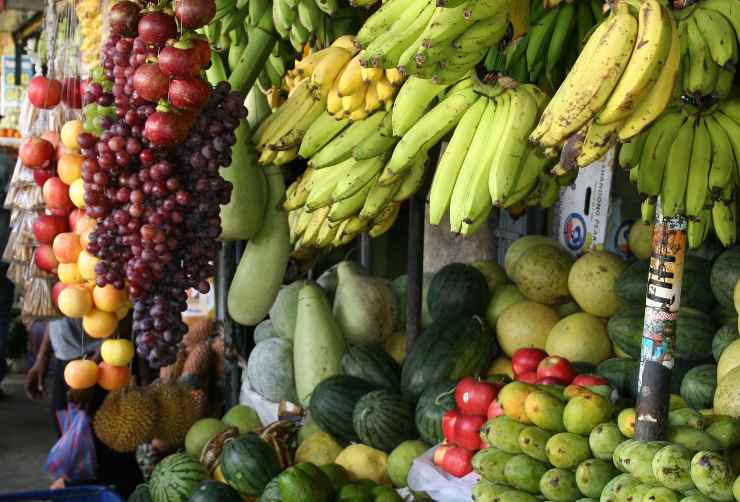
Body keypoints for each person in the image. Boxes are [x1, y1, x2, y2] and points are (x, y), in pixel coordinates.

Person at [25, 317, 143, 496]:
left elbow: (124, 317)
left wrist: (92, 372)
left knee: (113, 461)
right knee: (77, 456)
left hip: (104, 364)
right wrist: (43, 356)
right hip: (68, 363)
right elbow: (55, 313)